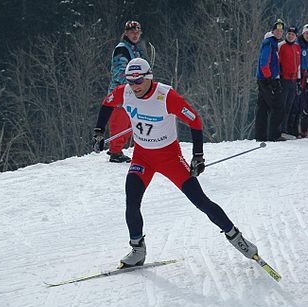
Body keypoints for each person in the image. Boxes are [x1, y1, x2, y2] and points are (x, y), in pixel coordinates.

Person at [92, 58, 258, 267]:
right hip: (142, 157)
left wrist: (198, 156)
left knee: (200, 201)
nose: (134, 86)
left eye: (139, 81)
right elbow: (107, 102)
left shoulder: (165, 95)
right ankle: (137, 249)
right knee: (131, 200)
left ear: (148, 77)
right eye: (130, 81)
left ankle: (236, 237)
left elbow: (195, 120)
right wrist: (98, 132)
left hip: (170, 158)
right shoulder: (125, 92)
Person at [107, 20, 146, 163]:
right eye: (132, 32)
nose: (135, 35)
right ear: (126, 33)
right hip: (121, 92)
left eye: (137, 32)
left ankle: (118, 148)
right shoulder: (122, 49)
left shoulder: (134, 49)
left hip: (132, 91)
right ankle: (115, 151)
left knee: (130, 121)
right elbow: (118, 72)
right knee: (120, 121)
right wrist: (133, 84)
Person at [255, 19, 285, 142]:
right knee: (277, 106)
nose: (279, 33)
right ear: (272, 31)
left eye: (281, 31)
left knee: (263, 107)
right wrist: (269, 79)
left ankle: (260, 135)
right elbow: (264, 63)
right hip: (267, 80)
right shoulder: (269, 43)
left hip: (264, 79)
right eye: (277, 30)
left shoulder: (273, 43)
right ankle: (274, 135)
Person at [278, 25, 301, 139]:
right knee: (282, 105)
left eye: (293, 34)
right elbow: (277, 63)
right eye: (289, 34)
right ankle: (279, 130)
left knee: (290, 105)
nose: (290, 36)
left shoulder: (297, 47)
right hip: (284, 80)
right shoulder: (281, 46)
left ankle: (285, 130)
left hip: (293, 80)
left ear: (296, 36)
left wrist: (298, 79)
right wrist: (277, 78)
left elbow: (298, 65)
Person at [290, 24, 308, 137]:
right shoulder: (298, 44)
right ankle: (298, 130)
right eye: (306, 33)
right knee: (299, 104)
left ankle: (305, 130)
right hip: (300, 75)